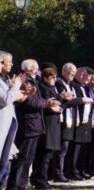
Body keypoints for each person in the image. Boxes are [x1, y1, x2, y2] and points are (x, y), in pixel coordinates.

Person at [8, 59, 61, 190]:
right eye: (35, 68)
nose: (38, 71)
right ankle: (14, 185)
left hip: (35, 125)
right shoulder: (25, 81)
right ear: (29, 69)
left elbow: (38, 100)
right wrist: (47, 103)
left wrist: (45, 102)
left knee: (28, 159)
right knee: (22, 158)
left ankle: (21, 185)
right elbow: (31, 102)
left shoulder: (33, 81)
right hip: (28, 125)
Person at [31, 67, 63, 190]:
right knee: (44, 154)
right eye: (52, 77)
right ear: (45, 77)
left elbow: (56, 104)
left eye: (55, 77)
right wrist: (61, 98)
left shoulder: (51, 88)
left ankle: (40, 178)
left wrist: (59, 100)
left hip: (53, 123)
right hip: (48, 124)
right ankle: (41, 179)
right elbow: (50, 103)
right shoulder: (43, 88)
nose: (55, 80)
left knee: (47, 154)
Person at [0, 51, 22, 187]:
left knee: (5, 164)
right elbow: (5, 99)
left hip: (9, 125)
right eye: (10, 61)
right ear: (1, 62)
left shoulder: (3, 78)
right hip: (2, 126)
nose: (12, 64)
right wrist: (15, 87)